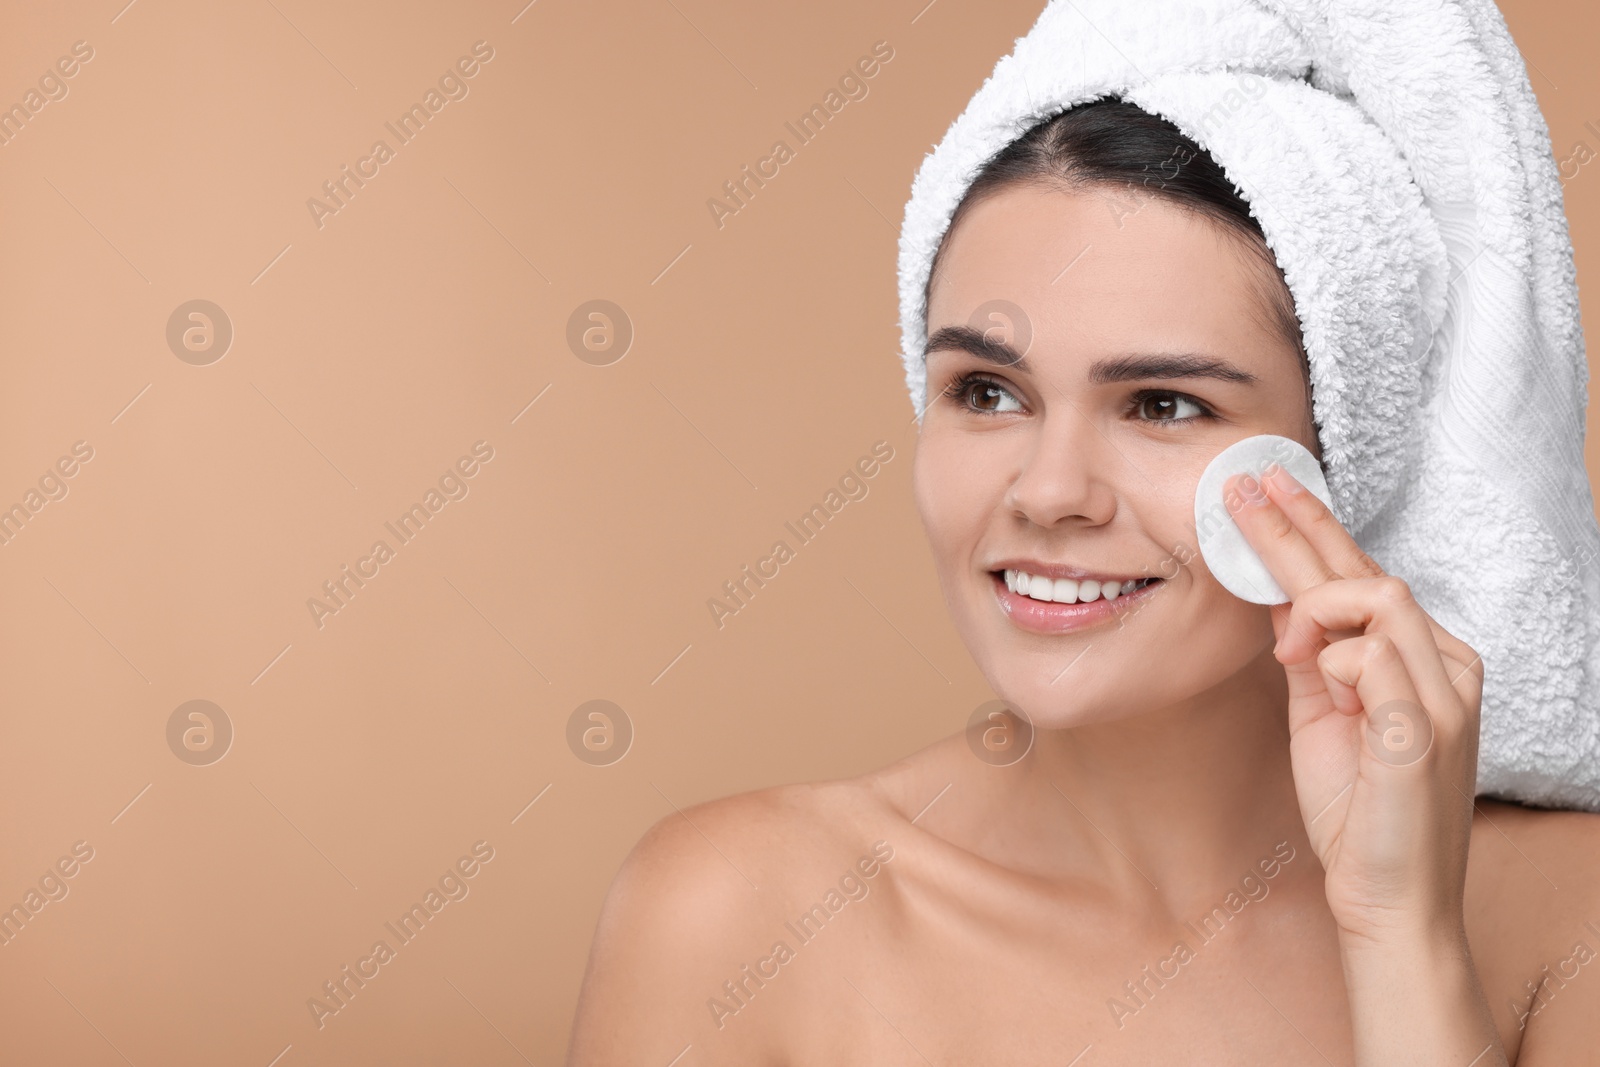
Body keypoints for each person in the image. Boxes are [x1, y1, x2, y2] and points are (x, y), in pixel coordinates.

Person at [565, 96, 1600, 1066]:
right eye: (987, 391)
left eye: (1162, 404)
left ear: (1349, 448)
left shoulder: (1564, 920)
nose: (1048, 491)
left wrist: (1400, 936)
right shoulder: (737, 916)